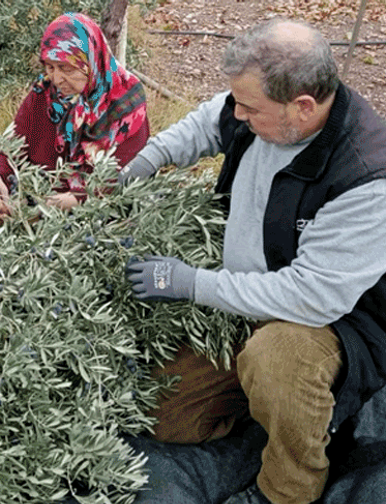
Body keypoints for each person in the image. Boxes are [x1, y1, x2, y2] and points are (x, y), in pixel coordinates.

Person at [121, 18, 386, 504]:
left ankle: (288, 486)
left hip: (331, 324)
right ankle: (271, 405)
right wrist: (141, 163)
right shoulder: (262, 113)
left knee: (276, 359)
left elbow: (311, 297)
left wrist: (190, 283)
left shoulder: (365, 176)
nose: (236, 115)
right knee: (162, 413)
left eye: (250, 107)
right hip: (246, 296)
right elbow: (207, 121)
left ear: (303, 107)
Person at [0, 12, 149, 220]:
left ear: (90, 62)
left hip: (105, 216)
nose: (57, 78)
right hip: (44, 207)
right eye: (50, 67)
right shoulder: (44, 94)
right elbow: (15, 144)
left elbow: (128, 174)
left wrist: (78, 198)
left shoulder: (125, 104)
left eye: (66, 68)